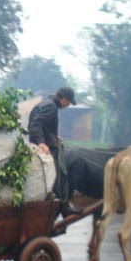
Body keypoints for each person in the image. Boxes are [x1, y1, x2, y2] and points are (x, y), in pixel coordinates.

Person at [28, 87, 83, 217]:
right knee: (61, 174)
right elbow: (36, 124)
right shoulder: (51, 107)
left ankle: (62, 206)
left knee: (59, 173)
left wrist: (53, 136)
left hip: (45, 143)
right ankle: (64, 207)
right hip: (45, 147)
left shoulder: (46, 103)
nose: (68, 105)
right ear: (64, 99)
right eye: (69, 102)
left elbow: (43, 125)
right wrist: (41, 142)